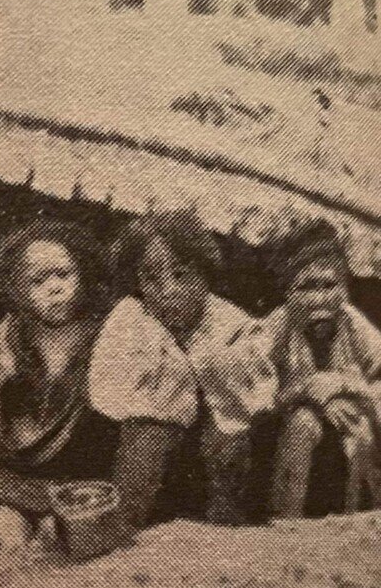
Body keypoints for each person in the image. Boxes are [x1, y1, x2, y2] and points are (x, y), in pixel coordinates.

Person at [0, 219, 196, 557]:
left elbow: (148, 442)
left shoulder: (125, 328)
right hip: (27, 490)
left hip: (107, 492)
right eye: (38, 280)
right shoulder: (9, 337)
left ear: (83, 273)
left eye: (64, 274)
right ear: (17, 290)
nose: (54, 288)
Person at [107, 212, 277, 524]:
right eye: (151, 279)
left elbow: (253, 398)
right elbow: (113, 389)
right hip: (163, 433)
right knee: (143, 435)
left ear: (204, 275)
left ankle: (223, 525)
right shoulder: (135, 319)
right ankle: (125, 522)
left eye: (181, 275)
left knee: (228, 444)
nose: (167, 290)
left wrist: (208, 362)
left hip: (221, 433)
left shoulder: (232, 325)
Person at [264, 220, 381, 518]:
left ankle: (360, 519)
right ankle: (285, 519)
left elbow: (377, 376)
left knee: (361, 430)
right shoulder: (278, 326)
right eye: (306, 287)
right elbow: (259, 392)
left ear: (344, 288)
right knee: (303, 424)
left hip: (352, 412)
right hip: (289, 419)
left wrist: (341, 386)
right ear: (288, 293)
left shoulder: (352, 323)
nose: (319, 298)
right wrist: (308, 390)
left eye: (329, 285)